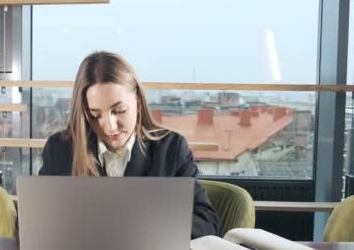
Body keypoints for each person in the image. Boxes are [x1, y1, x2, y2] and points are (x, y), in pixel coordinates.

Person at [39, 51, 219, 239]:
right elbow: (32, 223)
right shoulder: (60, 149)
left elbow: (206, 222)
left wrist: (144, 224)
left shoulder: (171, 149)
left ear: (138, 101)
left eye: (119, 110)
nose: (109, 126)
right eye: (95, 115)